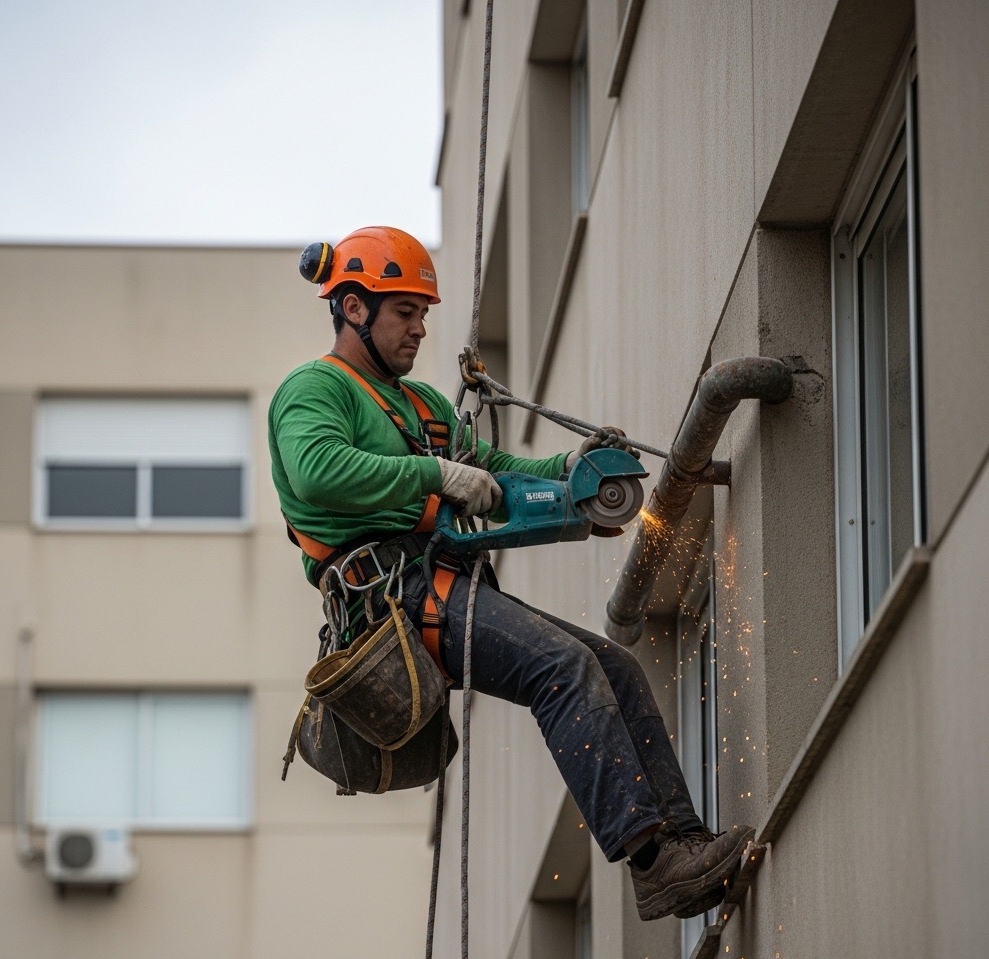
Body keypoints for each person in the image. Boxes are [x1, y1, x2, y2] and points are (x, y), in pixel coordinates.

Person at [268, 225, 755, 921]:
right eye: (404, 312)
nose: (418, 330)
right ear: (353, 308)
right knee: (562, 668)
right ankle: (651, 862)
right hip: (389, 601)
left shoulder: (425, 409)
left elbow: (496, 473)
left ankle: (681, 844)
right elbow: (319, 474)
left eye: (423, 316)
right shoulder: (314, 390)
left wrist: (572, 474)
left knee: (611, 667)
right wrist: (436, 474)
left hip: (438, 582)